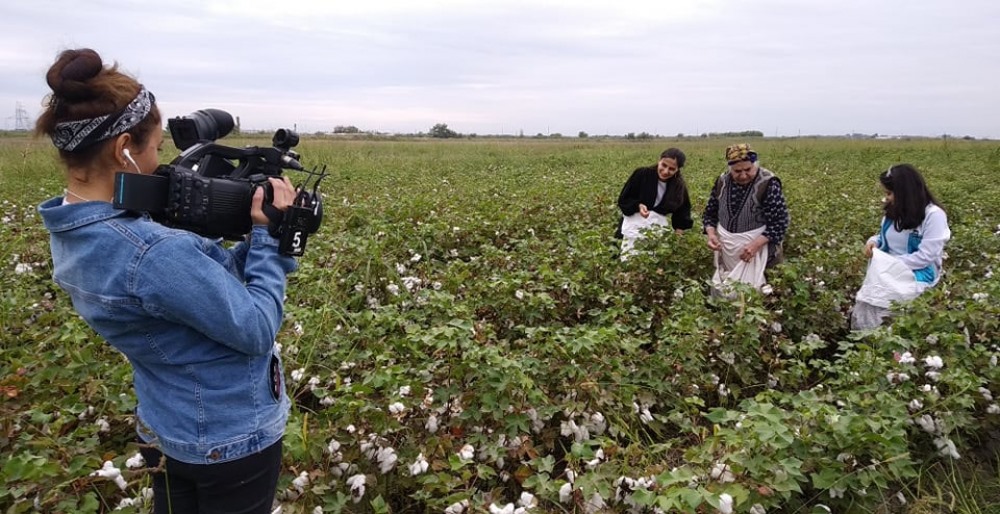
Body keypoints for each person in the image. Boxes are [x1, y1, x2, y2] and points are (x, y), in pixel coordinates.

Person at [36, 48, 298, 513]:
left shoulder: (72, 228)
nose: (163, 165)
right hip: (228, 435)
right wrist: (269, 238)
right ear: (123, 149)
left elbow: (193, 294)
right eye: (157, 149)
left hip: (168, 424)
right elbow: (256, 329)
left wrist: (256, 241)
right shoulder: (154, 252)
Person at [851, 164, 950, 330]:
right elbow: (884, 237)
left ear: (905, 193)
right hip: (887, 270)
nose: (887, 198)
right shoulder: (893, 212)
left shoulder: (934, 216)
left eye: (889, 193)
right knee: (869, 301)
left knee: (892, 311)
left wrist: (890, 264)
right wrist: (873, 242)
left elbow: (925, 257)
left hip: (916, 273)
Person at [702, 143, 790, 291]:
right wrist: (711, 234)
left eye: (748, 169)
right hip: (728, 252)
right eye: (737, 171)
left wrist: (755, 245)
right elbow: (710, 213)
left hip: (759, 253)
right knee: (727, 292)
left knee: (760, 292)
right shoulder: (722, 182)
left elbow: (780, 222)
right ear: (730, 169)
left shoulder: (768, 183)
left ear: (755, 164)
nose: (743, 175)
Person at [615, 147, 693, 259]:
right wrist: (638, 205)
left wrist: (678, 236)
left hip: (657, 231)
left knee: (653, 263)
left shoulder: (678, 186)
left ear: (678, 169)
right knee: (629, 261)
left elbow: (683, 211)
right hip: (633, 227)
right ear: (659, 160)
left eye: (671, 169)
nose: (666, 171)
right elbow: (624, 199)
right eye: (664, 165)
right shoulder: (642, 174)